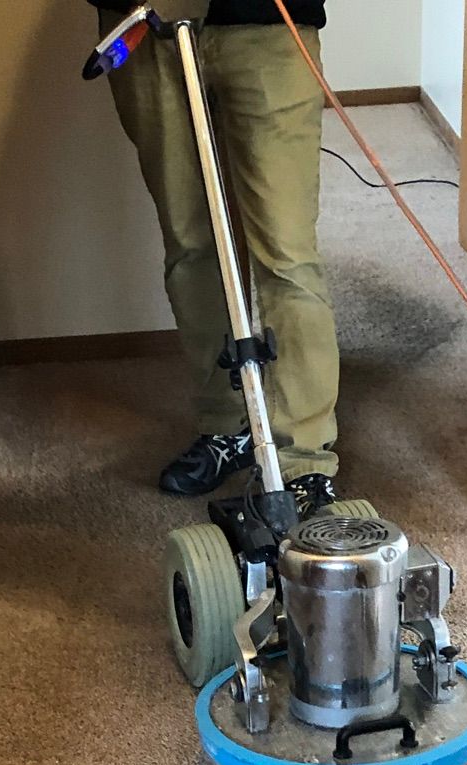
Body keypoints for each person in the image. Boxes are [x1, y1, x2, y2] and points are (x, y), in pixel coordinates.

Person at [97, 1, 339, 515]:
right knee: (191, 245)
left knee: (287, 254)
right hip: (147, 28)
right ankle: (226, 425)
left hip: (268, 26)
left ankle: (304, 456)